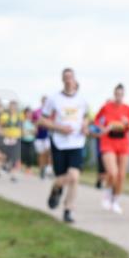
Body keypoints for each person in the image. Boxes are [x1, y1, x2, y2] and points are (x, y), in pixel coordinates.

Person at [39, 68, 91, 224]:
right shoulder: (54, 99)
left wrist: (85, 126)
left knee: (74, 177)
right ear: (62, 80)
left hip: (77, 143)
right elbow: (42, 120)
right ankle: (56, 187)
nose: (68, 80)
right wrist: (59, 128)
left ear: (75, 80)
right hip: (60, 144)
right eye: (66, 78)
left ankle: (68, 210)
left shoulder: (82, 100)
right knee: (62, 176)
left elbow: (87, 117)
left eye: (71, 77)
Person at [94, 84, 129, 214]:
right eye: (117, 94)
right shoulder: (106, 108)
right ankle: (107, 193)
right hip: (108, 142)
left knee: (121, 175)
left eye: (121, 94)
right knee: (113, 173)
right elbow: (96, 122)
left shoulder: (128, 109)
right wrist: (104, 128)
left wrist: (127, 123)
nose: (119, 97)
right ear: (114, 94)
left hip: (123, 143)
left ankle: (115, 200)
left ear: (124, 95)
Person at [0, 100, 24, 181]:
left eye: (14, 106)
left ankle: (13, 175)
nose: (13, 108)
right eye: (11, 106)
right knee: (4, 156)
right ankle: (0, 167)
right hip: (6, 139)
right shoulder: (4, 116)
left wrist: (22, 134)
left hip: (16, 139)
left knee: (15, 157)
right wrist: (2, 133)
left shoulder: (20, 116)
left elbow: (21, 127)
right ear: (9, 107)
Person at [33, 96, 52, 179]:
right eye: (44, 101)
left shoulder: (51, 112)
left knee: (48, 152)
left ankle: (48, 168)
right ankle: (42, 169)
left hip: (47, 135)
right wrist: (36, 126)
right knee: (41, 154)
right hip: (39, 136)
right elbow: (33, 122)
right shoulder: (37, 111)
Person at [20, 107, 37, 172]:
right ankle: (19, 166)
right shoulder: (22, 121)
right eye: (28, 113)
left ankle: (28, 169)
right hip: (23, 140)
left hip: (31, 141)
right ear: (25, 114)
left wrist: (28, 131)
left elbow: (35, 132)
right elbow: (22, 132)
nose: (29, 114)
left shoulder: (33, 122)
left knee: (30, 155)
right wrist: (30, 131)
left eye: (30, 113)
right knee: (23, 154)